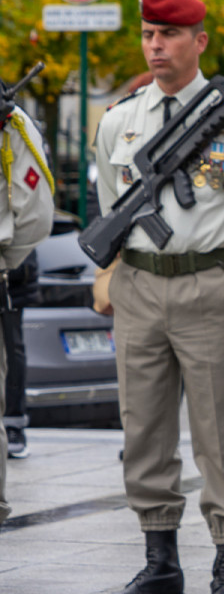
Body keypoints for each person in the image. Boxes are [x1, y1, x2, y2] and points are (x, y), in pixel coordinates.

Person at [95, 0, 224, 594]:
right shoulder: (119, 120)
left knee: (218, 434)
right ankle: (161, 560)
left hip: (209, 287)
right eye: (149, 35)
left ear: (199, 41)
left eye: (170, 35)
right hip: (138, 285)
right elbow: (112, 210)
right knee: (144, 430)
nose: (156, 46)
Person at [0, 99, 55, 525]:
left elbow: (36, 214)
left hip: (6, 272)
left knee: (14, 348)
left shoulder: (11, 120)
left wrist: (4, 260)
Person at [4, 251, 40, 459]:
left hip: (12, 276)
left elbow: (36, 222)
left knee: (11, 349)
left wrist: (10, 259)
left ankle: (13, 425)